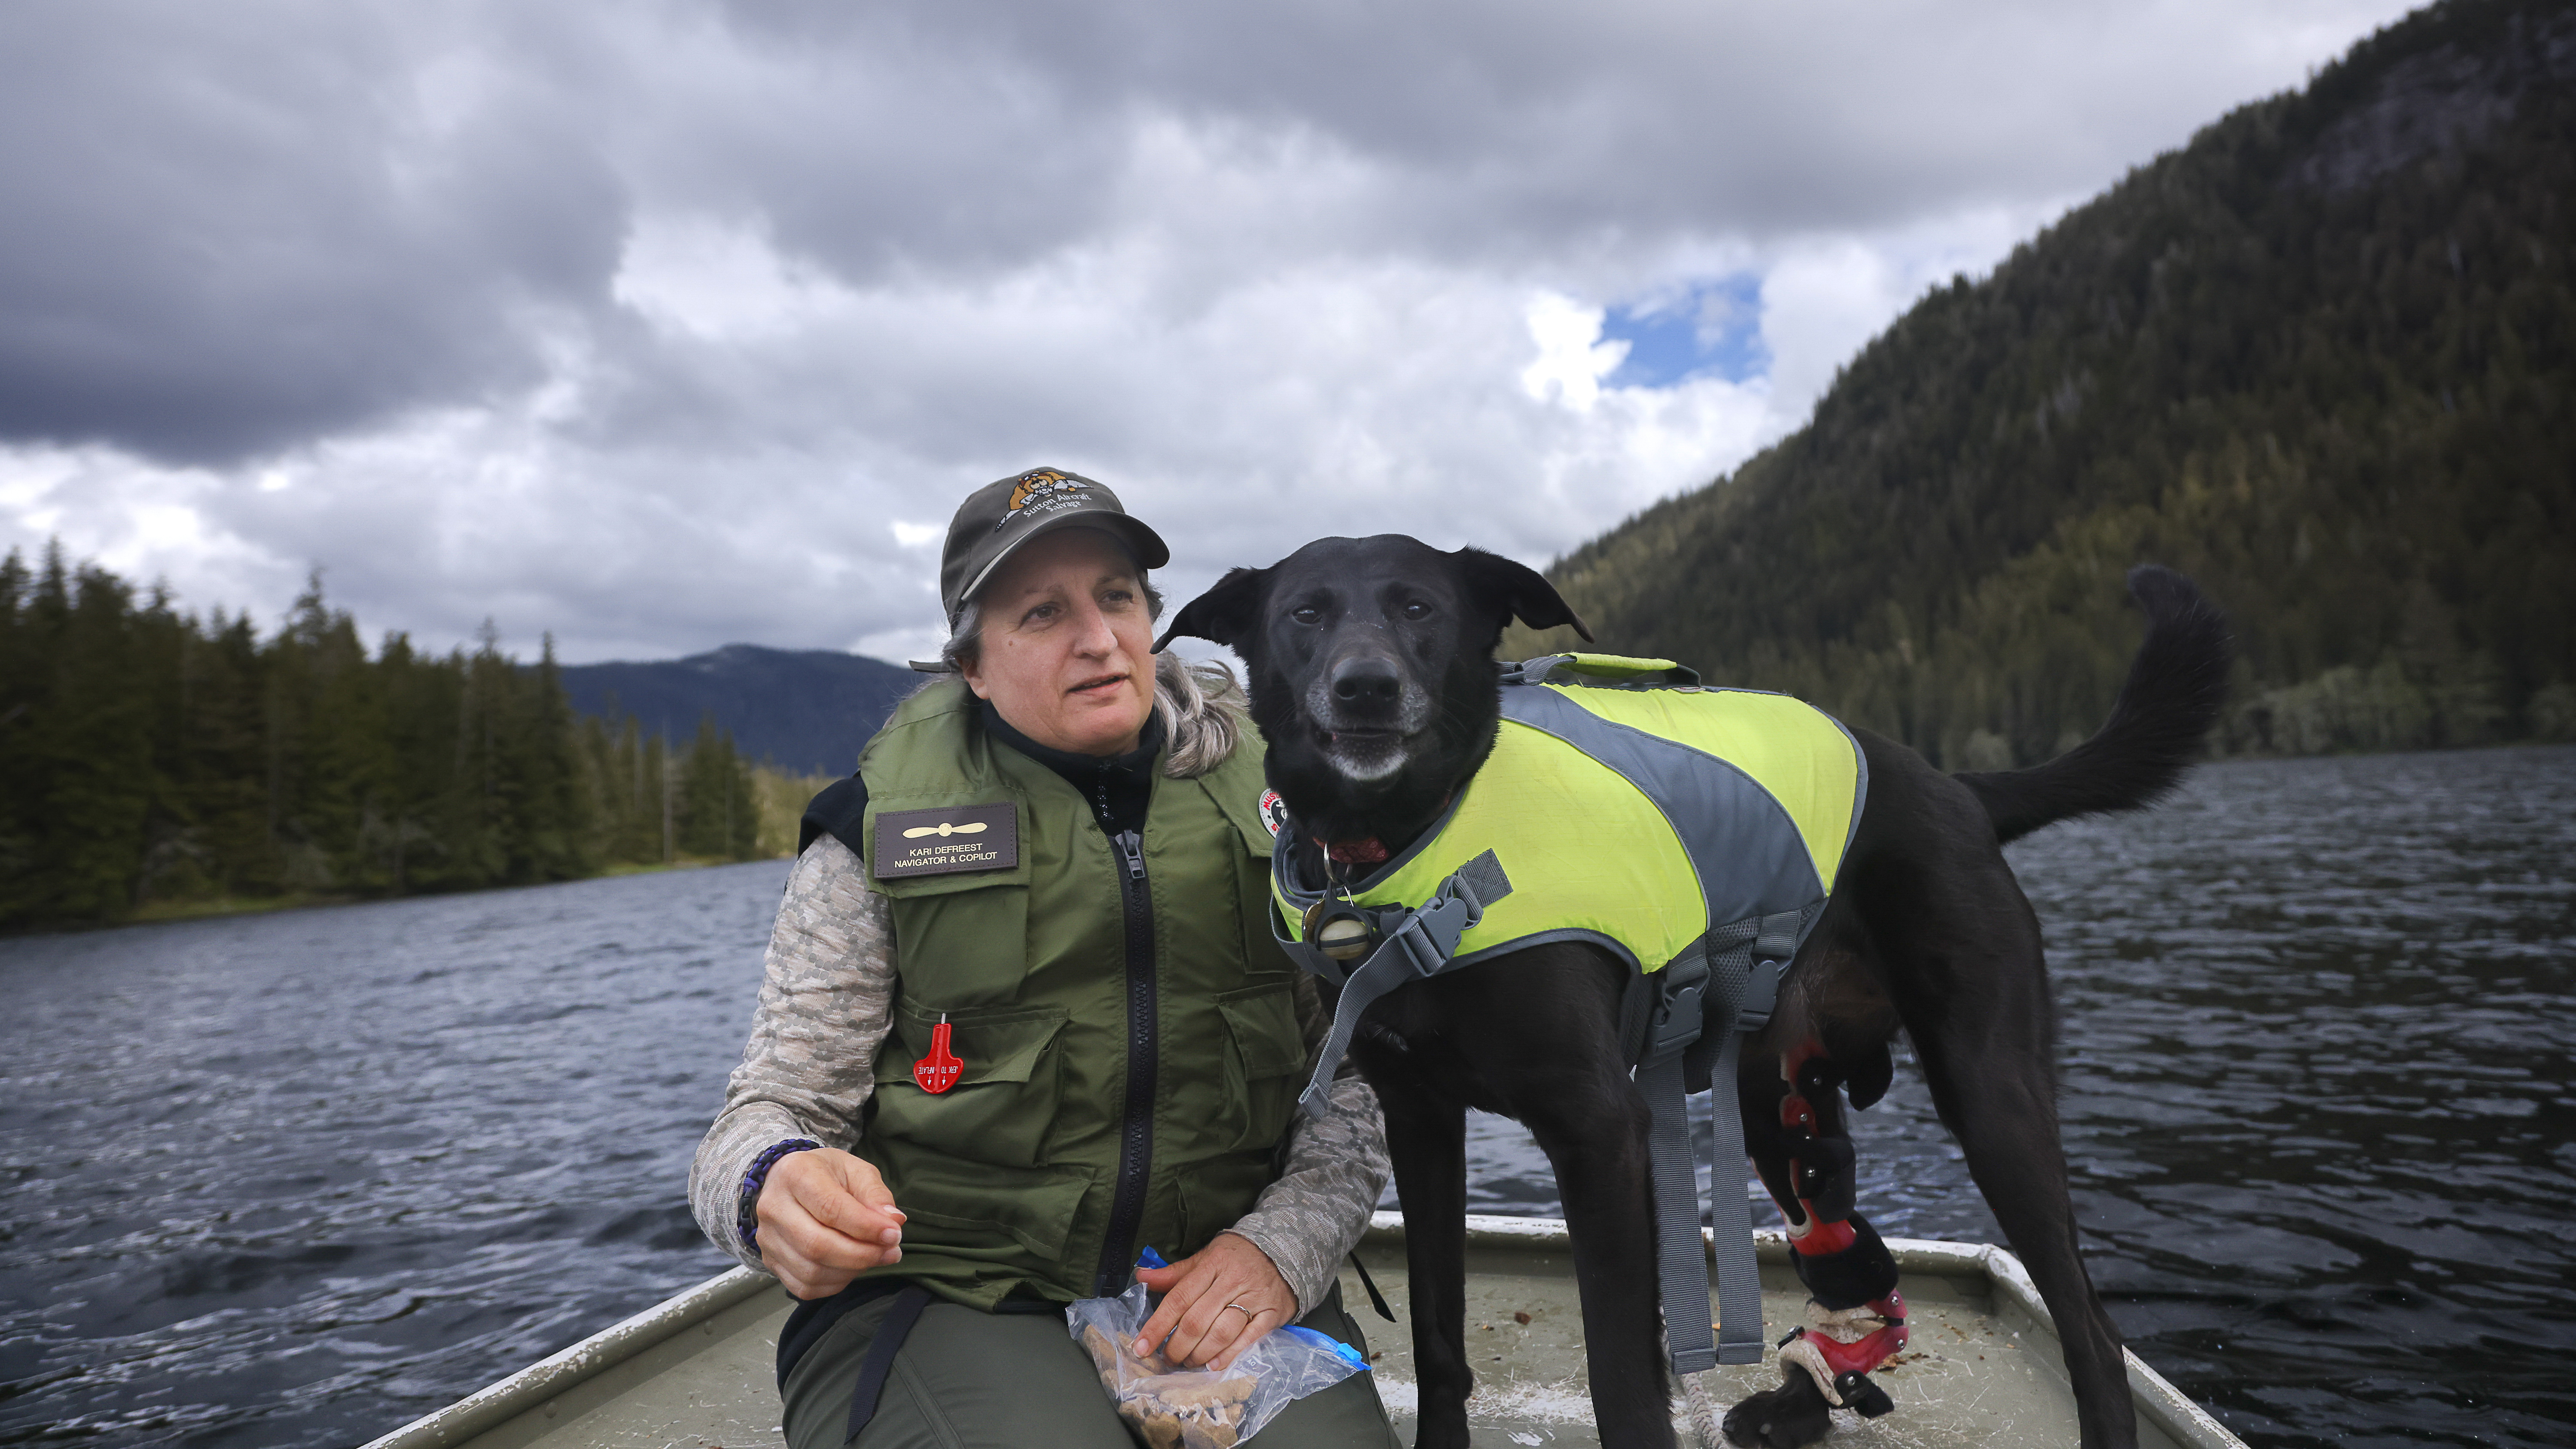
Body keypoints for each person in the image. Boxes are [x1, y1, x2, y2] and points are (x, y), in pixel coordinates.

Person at [688, 468, 1398, 1449]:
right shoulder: (871, 834)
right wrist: (773, 1181)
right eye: (1040, 613)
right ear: (972, 667)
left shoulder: (1289, 806)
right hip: (950, 1292)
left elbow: (1364, 1074)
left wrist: (1279, 1249)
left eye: (1117, 598)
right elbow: (771, 1107)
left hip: (1217, 1279)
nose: (1099, 638)